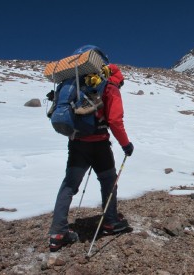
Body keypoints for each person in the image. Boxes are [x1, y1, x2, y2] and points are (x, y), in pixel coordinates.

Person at [48, 45, 134, 252]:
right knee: (108, 181)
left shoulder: (70, 84)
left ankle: (58, 232)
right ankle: (110, 221)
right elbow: (114, 119)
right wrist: (126, 144)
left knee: (69, 185)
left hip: (77, 143)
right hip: (100, 145)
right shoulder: (108, 87)